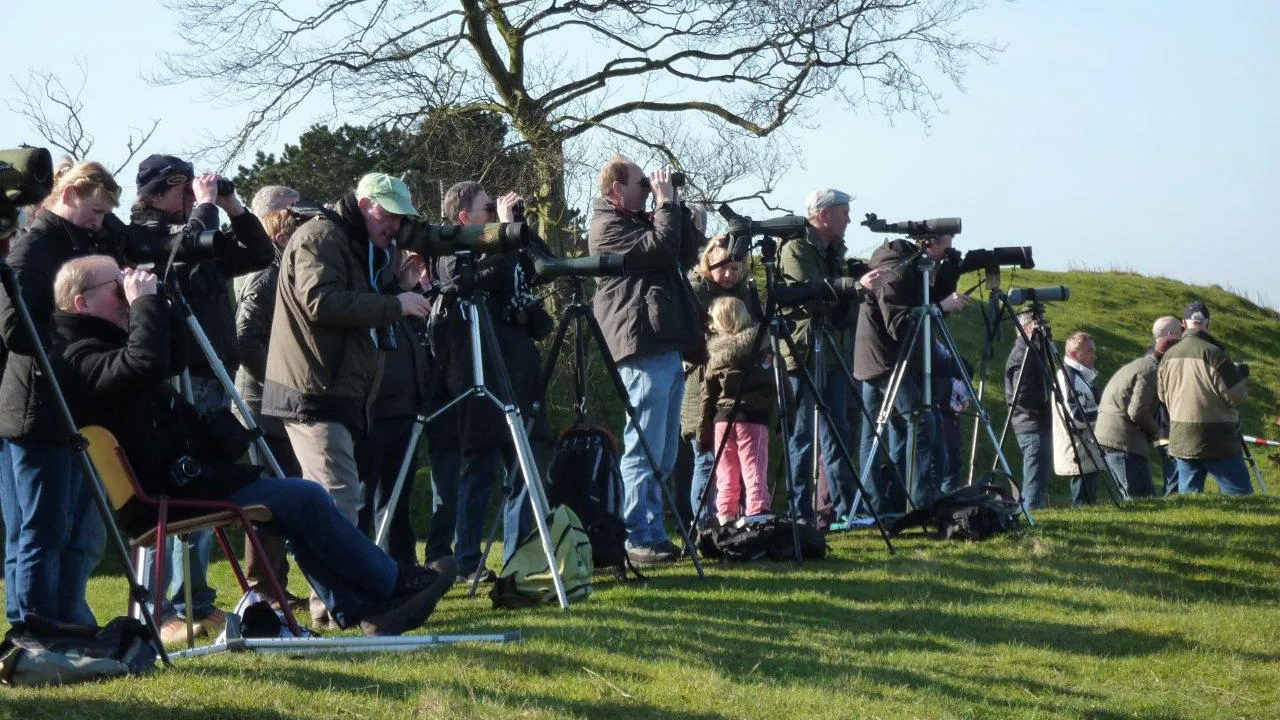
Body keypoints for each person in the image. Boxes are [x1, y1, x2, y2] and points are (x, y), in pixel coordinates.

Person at [50, 255, 453, 636]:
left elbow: (173, 359)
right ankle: (390, 586)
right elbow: (146, 363)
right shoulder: (77, 356)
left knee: (297, 506)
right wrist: (143, 303)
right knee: (306, 497)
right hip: (165, 494)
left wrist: (160, 300)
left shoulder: (102, 347)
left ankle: (369, 605)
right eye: (116, 288)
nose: (126, 293)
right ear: (81, 302)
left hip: (184, 481)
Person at [262, 172, 431, 627]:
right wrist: (395, 305)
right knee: (336, 499)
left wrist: (396, 287)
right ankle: (340, 605)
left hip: (335, 390)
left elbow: (352, 299)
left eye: (401, 218)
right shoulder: (321, 237)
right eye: (390, 215)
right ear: (366, 205)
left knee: (337, 498)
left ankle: (336, 603)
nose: (396, 226)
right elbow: (321, 301)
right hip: (313, 390)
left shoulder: (354, 243)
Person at [130, 153, 275, 640]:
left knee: (204, 489)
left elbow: (259, 254)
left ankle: (196, 598)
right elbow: (180, 249)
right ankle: (165, 607)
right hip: (176, 379)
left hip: (212, 375)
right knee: (177, 488)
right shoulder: (143, 234)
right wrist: (207, 207)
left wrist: (233, 207)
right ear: (155, 193)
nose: (192, 197)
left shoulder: (199, 231)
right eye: (183, 190)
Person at [0, 160, 120, 627]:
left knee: (72, 530)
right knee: (40, 528)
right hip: (36, 405)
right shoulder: (34, 248)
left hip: (70, 401)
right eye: (95, 211)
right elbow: (14, 329)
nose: (100, 222)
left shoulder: (79, 242)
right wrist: (77, 336)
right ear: (68, 195)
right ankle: (34, 626)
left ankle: (68, 620)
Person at [588, 155, 701, 565]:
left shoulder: (636, 221)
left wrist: (679, 213)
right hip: (640, 345)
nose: (648, 189)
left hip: (663, 343)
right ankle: (637, 535)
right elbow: (659, 251)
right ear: (617, 189)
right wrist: (666, 205)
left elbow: (681, 257)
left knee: (665, 452)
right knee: (644, 448)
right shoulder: (607, 227)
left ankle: (652, 532)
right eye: (641, 183)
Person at [431, 180, 546, 584]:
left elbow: (543, 265)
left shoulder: (505, 243)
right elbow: (475, 279)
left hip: (517, 366)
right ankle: (467, 560)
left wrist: (517, 226)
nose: (497, 211)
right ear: (464, 217)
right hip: (477, 369)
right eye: (488, 208)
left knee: (524, 467)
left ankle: (518, 559)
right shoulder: (450, 251)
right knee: (481, 467)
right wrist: (501, 232)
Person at [782, 189, 886, 528]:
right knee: (801, 435)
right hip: (802, 350)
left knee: (838, 432)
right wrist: (853, 287)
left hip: (831, 348)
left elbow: (832, 295)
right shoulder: (795, 249)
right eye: (843, 213)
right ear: (823, 215)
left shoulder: (835, 250)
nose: (849, 220)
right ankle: (800, 512)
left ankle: (844, 509)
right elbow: (810, 291)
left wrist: (851, 287)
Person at [854, 228, 965, 514]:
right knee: (920, 420)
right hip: (887, 360)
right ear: (930, 245)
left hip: (883, 359)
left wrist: (950, 270)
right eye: (946, 248)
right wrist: (939, 307)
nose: (946, 254)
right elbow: (901, 323)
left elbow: (926, 301)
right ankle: (916, 503)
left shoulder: (910, 267)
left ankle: (890, 503)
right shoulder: (897, 269)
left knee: (889, 431)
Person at [233, 185, 305, 608]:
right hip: (261, 402)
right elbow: (244, 340)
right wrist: (284, 378)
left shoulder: (276, 266)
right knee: (265, 501)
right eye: (293, 214)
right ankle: (263, 589)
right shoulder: (265, 271)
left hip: (275, 399)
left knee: (280, 495)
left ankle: (276, 584)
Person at [680, 237, 760, 526]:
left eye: (735, 267)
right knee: (706, 459)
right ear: (708, 262)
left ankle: (733, 519)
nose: (728, 274)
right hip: (702, 385)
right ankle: (704, 524)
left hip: (739, 390)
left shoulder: (747, 294)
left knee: (738, 460)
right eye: (722, 267)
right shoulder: (692, 292)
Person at [697, 297, 780, 526]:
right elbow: (778, 382)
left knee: (726, 475)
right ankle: (757, 513)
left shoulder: (716, 356)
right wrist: (786, 415)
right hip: (752, 418)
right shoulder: (761, 347)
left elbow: (707, 396)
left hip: (722, 420)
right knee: (754, 470)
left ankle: (725, 517)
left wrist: (702, 431)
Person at [1157, 302, 1253, 496]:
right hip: (1217, 437)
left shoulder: (1168, 356)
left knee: (1189, 498)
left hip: (1181, 436)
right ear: (1207, 323)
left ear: (1184, 323)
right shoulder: (1215, 353)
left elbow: (1161, 395)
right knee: (1241, 495)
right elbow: (1238, 396)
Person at [1095, 337, 1179, 499]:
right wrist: (1156, 432)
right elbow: (1137, 412)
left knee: (1130, 497)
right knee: (1142, 499)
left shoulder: (1137, 365)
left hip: (1109, 437)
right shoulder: (1152, 371)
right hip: (1124, 441)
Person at [1005, 308, 1054, 510]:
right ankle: (1030, 512)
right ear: (1027, 328)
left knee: (1039, 476)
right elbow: (1021, 395)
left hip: (1035, 422)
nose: (1044, 329)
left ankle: (1033, 510)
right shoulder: (1022, 355)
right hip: (1031, 424)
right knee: (1035, 478)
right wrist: (1048, 396)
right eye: (1038, 325)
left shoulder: (1033, 352)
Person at [1052, 331, 1106, 506]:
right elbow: (1075, 417)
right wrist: (1104, 411)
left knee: (1089, 500)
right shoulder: (1069, 377)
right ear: (1074, 354)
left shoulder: (1078, 376)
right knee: (1082, 502)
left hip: (1085, 448)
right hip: (1079, 449)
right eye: (1090, 351)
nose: (1095, 356)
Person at [1150, 315, 1184, 495]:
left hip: (1163, 427)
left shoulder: (1151, 356)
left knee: (1174, 479)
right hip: (1167, 428)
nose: (1184, 334)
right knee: (1174, 483)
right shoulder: (1161, 360)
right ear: (1171, 334)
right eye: (1181, 330)